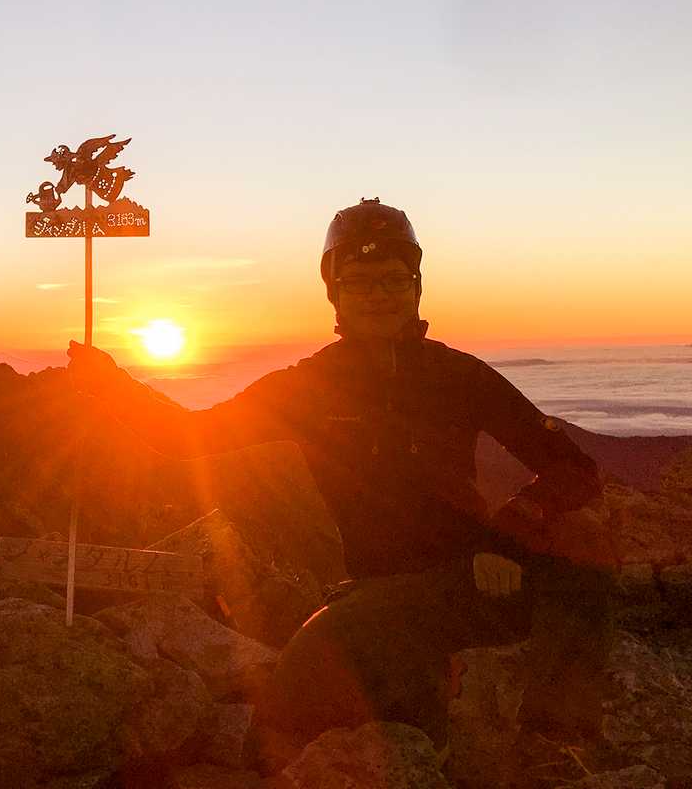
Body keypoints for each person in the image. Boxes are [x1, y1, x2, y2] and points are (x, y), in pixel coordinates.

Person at [68, 198, 617, 777]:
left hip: (471, 579)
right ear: (335, 294)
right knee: (286, 725)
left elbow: (572, 467)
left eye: (393, 279)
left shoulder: (460, 376)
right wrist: (112, 386)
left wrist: (508, 533)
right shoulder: (311, 387)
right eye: (359, 282)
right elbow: (191, 436)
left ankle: (555, 749)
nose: (379, 294)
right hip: (378, 593)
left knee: (582, 554)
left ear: (416, 286)